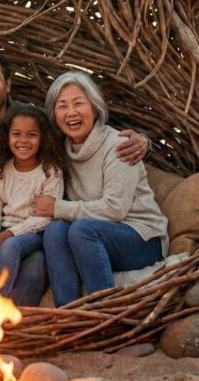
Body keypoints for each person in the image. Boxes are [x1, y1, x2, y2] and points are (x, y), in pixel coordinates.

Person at [0, 46, 151, 308]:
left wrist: (144, 141)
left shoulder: (35, 121)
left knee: (40, 261)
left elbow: (90, 133)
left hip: (35, 228)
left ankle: (13, 325)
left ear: (7, 83)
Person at [32, 71, 168, 307]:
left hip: (141, 239)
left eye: (78, 103)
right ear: (54, 115)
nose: (71, 112)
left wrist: (57, 207)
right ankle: (69, 313)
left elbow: (115, 209)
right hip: (94, 239)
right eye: (62, 106)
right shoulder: (60, 149)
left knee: (81, 230)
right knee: (55, 231)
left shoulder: (119, 146)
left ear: (95, 108)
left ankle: (105, 311)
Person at [0, 106, 65, 300]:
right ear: (7, 138)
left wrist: (7, 235)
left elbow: (46, 217)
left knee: (10, 247)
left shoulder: (51, 171)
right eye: (16, 134)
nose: (23, 140)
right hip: (3, 231)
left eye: (32, 135)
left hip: (35, 233)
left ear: (43, 138)